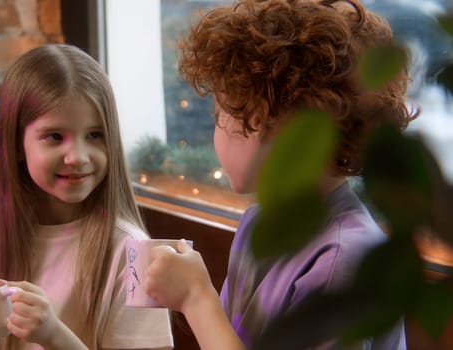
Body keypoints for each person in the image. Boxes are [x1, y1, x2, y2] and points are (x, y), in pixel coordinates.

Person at [144, 0, 419, 349]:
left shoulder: (340, 261)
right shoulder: (259, 223)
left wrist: (196, 298)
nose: (216, 130)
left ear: (262, 122)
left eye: (220, 115)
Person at [0, 44, 174, 350]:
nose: (78, 156)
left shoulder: (137, 256)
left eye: (95, 135)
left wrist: (53, 335)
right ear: (17, 146)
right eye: (55, 137)